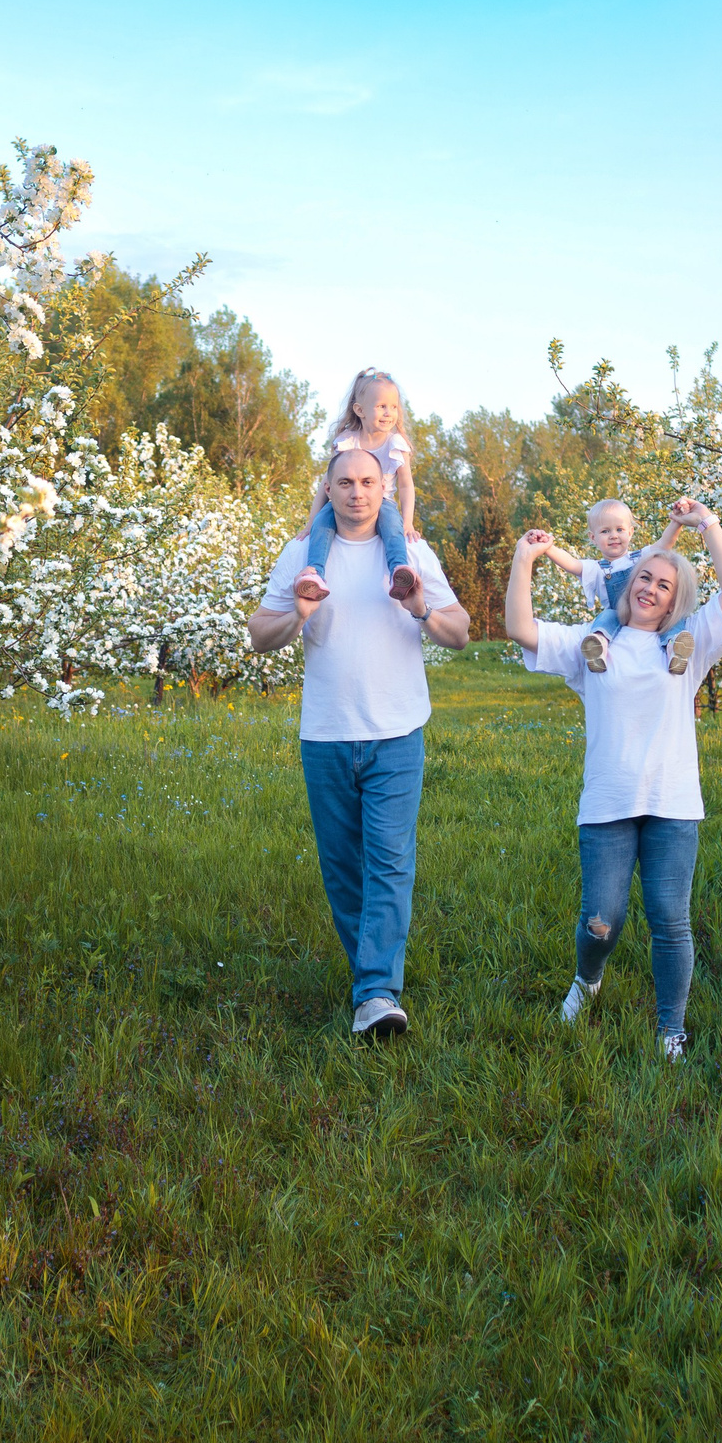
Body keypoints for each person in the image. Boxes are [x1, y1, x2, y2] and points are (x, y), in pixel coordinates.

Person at [506, 499, 722, 1061]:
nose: (651, 589)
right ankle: (587, 981)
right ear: (626, 583)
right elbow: (520, 628)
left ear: (675, 599)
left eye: (665, 584)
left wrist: (706, 524)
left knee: (670, 920)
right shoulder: (594, 647)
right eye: (644, 577)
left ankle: (671, 1030)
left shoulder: (689, 647)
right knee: (602, 921)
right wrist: (525, 561)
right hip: (607, 807)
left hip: (672, 804)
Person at [251, 445, 470, 1038]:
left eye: (367, 482)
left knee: (391, 862)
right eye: (344, 482)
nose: (356, 492)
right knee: (343, 869)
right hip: (325, 734)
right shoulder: (303, 555)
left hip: (396, 732)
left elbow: (460, 633)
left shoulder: (411, 552)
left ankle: (375, 992)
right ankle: (369, 980)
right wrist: (296, 613)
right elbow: (258, 635)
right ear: (328, 489)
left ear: (384, 486)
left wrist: (421, 605)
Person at [296, 368, 422, 606]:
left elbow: (406, 486)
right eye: (381, 406)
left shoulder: (396, 444)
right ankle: (314, 574)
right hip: (344, 503)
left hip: (381, 502)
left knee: (391, 524)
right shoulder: (347, 441)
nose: (389, 413)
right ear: (360, 410)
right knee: (324, 522)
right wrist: (310, 522)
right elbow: (327, 484)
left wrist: (408, 522)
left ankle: (399, 571)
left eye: (393, 407)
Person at [534, 497, 695, 675]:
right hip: (621, 616)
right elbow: (571, 564)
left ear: (630, 532)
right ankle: (598, 646)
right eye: (605, 531)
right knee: (606, 618)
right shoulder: (596, 569)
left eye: (620, 529)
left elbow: (665, 544)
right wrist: (547, 548)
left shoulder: (641, 557)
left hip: (649, 611)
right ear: (593, 537)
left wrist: (677, 521)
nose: (613, 535)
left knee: (673, 619)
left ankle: (675, 648)